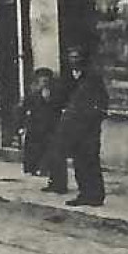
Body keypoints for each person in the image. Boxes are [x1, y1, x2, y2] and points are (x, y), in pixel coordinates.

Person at [46, 47, 109, 206]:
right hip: (73, 125)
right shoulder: (68, 78)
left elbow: (102, 100)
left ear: (83, 59)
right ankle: (84, 193)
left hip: (89, 126)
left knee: (90, 159)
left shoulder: (92, 78)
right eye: (71, 57)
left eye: (77, 57)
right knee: (79, 160)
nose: (73, 60)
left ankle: (96, 194)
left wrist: (96, 117)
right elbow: (62, 98)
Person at [18, 68, 61, 178]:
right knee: (34, 148)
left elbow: (58, 107)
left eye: (47, 80)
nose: (44, 82)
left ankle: (45, 168)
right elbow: (23, 108)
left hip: (50, 125)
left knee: (48, 148)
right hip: (35, 125)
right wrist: (21, 125)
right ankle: (33, 168)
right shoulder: (32, 94)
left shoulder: (54, 94)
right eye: (42, 80)